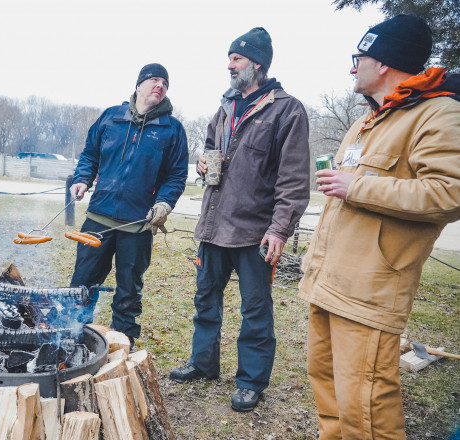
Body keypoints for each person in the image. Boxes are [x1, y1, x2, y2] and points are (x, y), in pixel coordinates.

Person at [298, 14, 460, 439]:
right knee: (330, 397)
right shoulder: (367, 121)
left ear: (383, 62)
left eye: (359, 57)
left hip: (369, 291)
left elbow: (450, 193)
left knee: (365, 409)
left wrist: (358, 186)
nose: (353, 67)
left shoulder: (438, 114)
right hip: (329, 283)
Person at [169, 28, 310, 412]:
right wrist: (203, 163)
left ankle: (250, 381)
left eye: (236, 58)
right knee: (205, 301)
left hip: (254, 232)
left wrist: (280, 228)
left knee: (255, 310)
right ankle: (203, 363)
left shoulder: (286, 109)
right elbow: (213, 149)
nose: (229, 65)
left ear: (258, 64)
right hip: (214, 227)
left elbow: (294, 180)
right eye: (230, 58)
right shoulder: (226, 106)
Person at [69, 63, 189, 348]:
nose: (160, 85)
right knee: (83, 283)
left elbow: (176, 175)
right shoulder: (111, 117)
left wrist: (164, 203)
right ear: (138, 85)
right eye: (154, 80)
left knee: (128, 290)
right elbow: (90, 154)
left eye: (165, 83)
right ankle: (72, 334)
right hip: (98, 218)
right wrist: (83, 178)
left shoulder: (172, 130)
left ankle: (123, 343)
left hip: (138, 224)